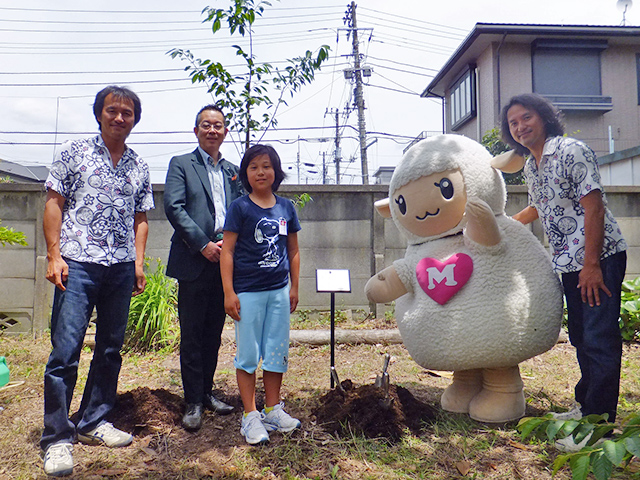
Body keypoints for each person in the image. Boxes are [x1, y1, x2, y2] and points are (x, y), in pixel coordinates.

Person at [501, 93, 627, 451]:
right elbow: (541, 206)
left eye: (526, 118)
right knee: (581, 337)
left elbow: (594, 208)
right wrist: (505, 225)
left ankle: (598, 424)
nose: (521, 126)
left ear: (544, 117)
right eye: (514, 123)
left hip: (598, 258)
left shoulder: (571, 150)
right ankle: (585, 406)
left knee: (600, 339)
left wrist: (592, 265)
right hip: (568, 262)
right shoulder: (531, 165)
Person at [41, 85, 154, 476]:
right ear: (99, 114)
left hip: (120, 267)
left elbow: (141, 218)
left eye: (127, 113)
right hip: (78, 263)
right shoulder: (75, 153)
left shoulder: (139, 165)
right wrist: (54, 255)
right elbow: (53, 202)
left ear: (135, 120)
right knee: (65, 351)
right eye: (112, 110)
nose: (119, 117)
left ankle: (93, 421)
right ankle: (56, 437)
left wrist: (138, 262)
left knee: (110, 349)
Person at [164, 104, 245, 431]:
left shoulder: (232, 171)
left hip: (226, 260)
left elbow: (240, 208)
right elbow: (174, 206)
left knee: (213, 333)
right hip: (195, 258)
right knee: (193, 334)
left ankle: (208, 392)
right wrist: (203, 244)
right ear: (196, 130)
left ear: (225, 132)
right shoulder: (181, 164)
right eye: (206, 125)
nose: (212, 130)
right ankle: (193, 401)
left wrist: (231, 245)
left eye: (218, 125)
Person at [220, 144, 301, 445]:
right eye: (253, 167)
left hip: (279, 291)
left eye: (266, 166)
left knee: (276, 352)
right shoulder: (240, 208)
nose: (260, 172)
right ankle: (250, 415)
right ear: (245, 174)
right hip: (248, 292)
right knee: (249, 355)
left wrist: (294, 286)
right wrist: (229, 292)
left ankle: (272, 409)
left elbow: (293, 250)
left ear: (276, 171)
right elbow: (227, 251)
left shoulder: (286, 208)